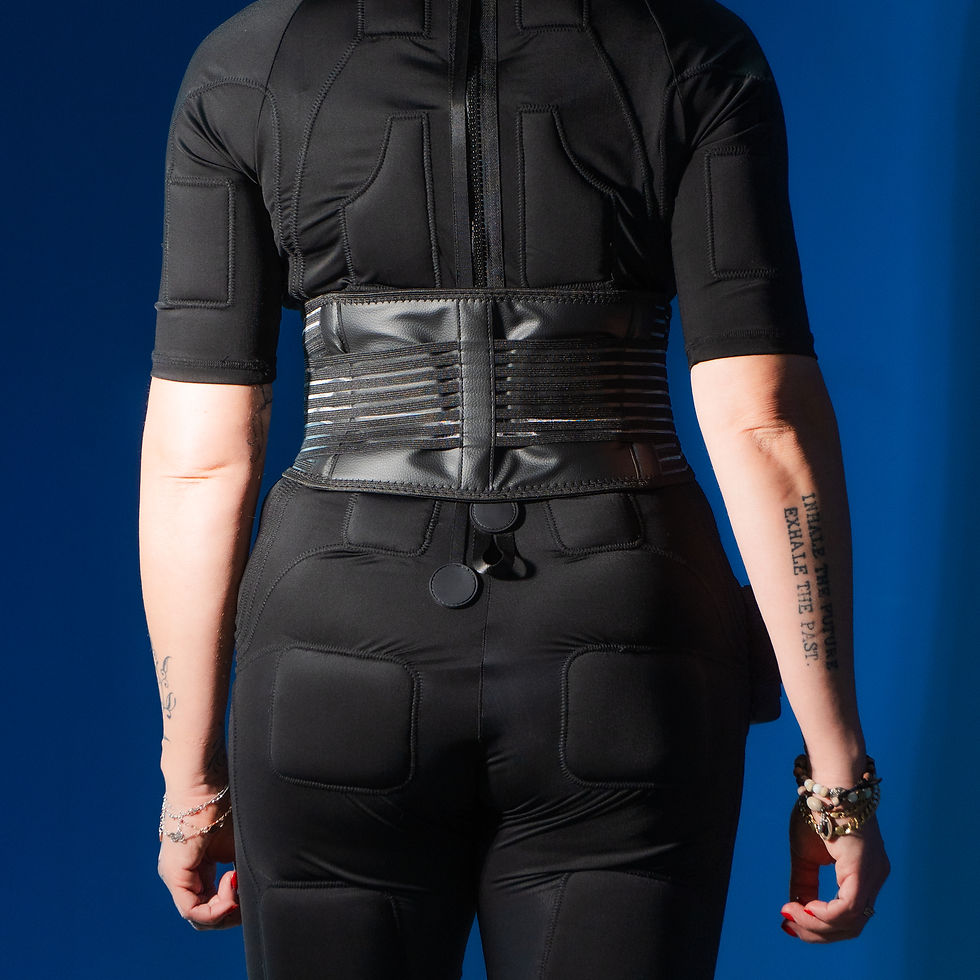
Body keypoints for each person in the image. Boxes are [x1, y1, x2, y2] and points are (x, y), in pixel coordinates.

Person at [139, 1, 890, 977]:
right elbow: (764, 424)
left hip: (330, 644)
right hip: (627, 636)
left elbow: (198, 461)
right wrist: (836, 779)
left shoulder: (245, 63)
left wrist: (190, 780)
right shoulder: (690, 48)